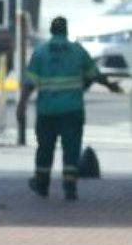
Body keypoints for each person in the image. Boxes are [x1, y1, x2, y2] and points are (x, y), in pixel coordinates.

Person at [18, 16, 122, 200]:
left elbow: (29, 83)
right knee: (71, 149)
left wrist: (21, 105)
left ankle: (42, 184)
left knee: (45, 148)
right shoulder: (77, 51)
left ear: (51, 30)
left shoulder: (41, 52)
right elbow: (94, 74)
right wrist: (111, 86)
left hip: (47, 111)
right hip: (72, 111)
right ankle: (70, 187)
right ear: (66, 30)